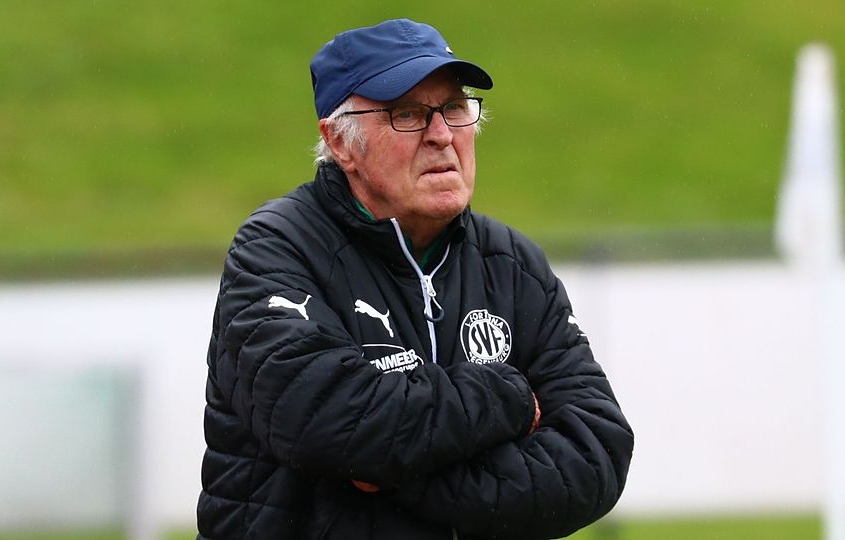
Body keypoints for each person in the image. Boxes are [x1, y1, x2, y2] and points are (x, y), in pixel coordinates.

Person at [197, 18, 634, 540]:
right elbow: (328, 424)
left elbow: (594, 455)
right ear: (340, 142)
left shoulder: (512, 263)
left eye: (454, 108)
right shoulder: (277, 250)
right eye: (407, 114)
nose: (442, 135)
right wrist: (508, 399)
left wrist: (398, 473)